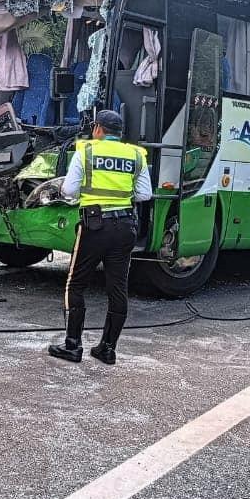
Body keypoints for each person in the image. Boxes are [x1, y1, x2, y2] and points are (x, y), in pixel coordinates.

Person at [49, 108, 152, 366]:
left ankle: (73, 345)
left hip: (95, 226)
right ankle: (107, 348)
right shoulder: (136, 155)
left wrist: (78, 194)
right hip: (125, 227)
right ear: (120, 133)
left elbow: (70, 190)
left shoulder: (87, 152)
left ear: (97, 129)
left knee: (76, 284)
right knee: (117, 288)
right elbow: (144, 195)